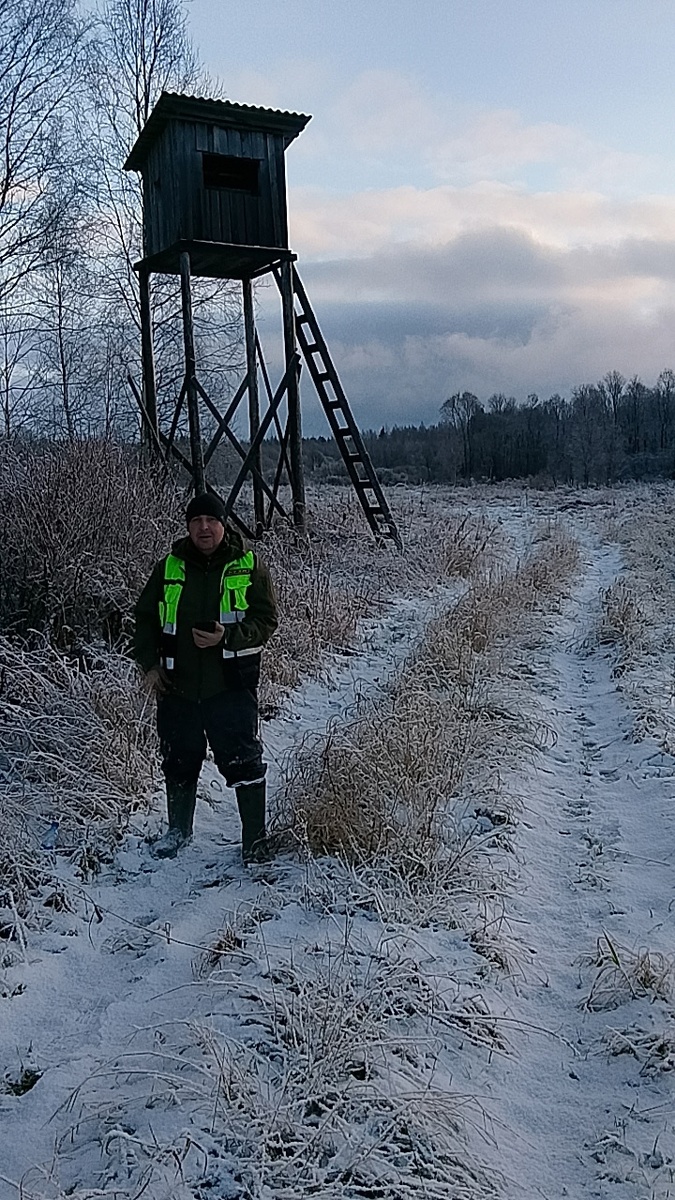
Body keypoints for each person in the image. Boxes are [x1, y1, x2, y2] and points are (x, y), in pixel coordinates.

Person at [133, 492, 278, 863]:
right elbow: (145, 618)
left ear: (223, 524)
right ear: (187, 526)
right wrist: (149, 665)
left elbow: (265, 620)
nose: (203, 528)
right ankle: (178, 832)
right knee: (178, 759)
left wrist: (226, 637)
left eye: (210, 520)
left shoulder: (248, 565)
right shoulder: (169, 567)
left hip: (229, 684)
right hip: (176, 685)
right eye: (196, 521)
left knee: (243, 761)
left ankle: (254, 841)